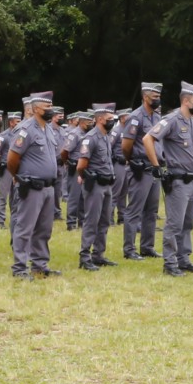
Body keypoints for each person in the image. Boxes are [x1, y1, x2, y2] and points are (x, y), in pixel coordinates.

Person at [143, 82, 193, 276]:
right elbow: (148, 139)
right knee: (174, 223)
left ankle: (183, 259)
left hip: (192, 179)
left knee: (188, 223)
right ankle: (170, 263)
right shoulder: (172, 120)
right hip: (178, 180)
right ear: (186, 101)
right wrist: (156, 166)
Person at [7, 91, 61, 280]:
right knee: (25, 228)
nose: (50, 110)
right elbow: (12, 158)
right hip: (31, 187)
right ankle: (20, 268)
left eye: (51, 107)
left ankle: (40, 265)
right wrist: (19, 177)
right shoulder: (26, 129)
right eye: (47, 107)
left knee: (44, 229)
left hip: (48, 187)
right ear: (36, 109)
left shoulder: (47, 128)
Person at [120, 82, 163, 260]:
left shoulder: (156, 116)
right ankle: (129, 250)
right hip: (140, 167)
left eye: (159, 97)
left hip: (154, 168)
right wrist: (132, 161)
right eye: (154, 97)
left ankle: (147, 246)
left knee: (151, 211)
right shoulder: (136, 117)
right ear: (145, 97)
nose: (157, 100)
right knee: (134, 210)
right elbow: (126, 145)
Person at [77, 103, 118, 270]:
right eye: (109, 119)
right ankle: (85, 257)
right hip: (95, 186)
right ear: (100, 119)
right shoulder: (91, 138)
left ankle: (98, 254)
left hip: (107, 184)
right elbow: (81, 165)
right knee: (91, 221)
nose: (112, 122)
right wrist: (86, 177)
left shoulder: (106, 136)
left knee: (104, 221)